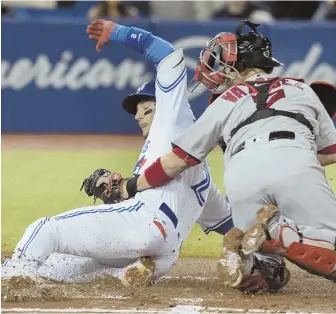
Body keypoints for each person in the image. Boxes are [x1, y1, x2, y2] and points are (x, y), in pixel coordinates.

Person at [101, 20, 336, 288]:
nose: (214, 69)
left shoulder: (224, 100)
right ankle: (280, 231)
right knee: (328, 242)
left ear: (239, 64)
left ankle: (249, 263)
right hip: (296, 160)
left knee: (260, 253)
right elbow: (329, 153)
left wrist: (131, 185)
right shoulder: (302, 89)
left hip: (241, 179)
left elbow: (177, 161)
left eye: (220, 61)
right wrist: (293, 161)